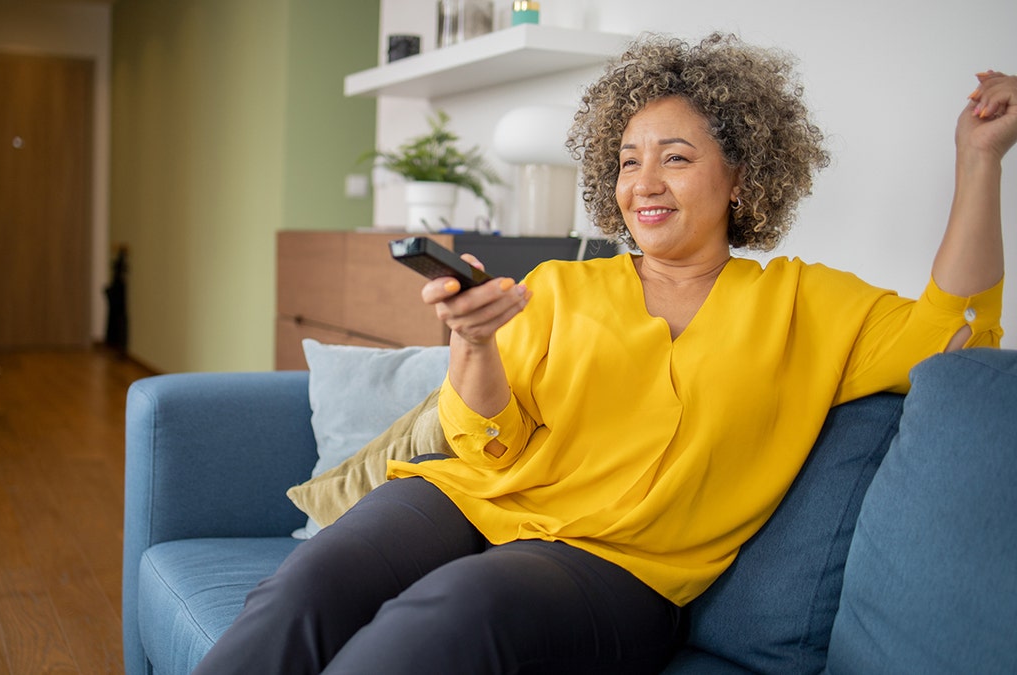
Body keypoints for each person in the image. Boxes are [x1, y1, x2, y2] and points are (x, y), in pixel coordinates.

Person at [193, 33, 1015, 674]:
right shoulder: (560, 287)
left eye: (677, 158)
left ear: (742, 176)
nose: (643, 183)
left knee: (454, 611)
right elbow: (487, 441)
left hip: (621, 569)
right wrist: (473, 341)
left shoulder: (807, 303)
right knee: (303, 589)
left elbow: (957, 335)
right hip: (470, 495)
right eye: (628, 161)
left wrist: (978, 162)